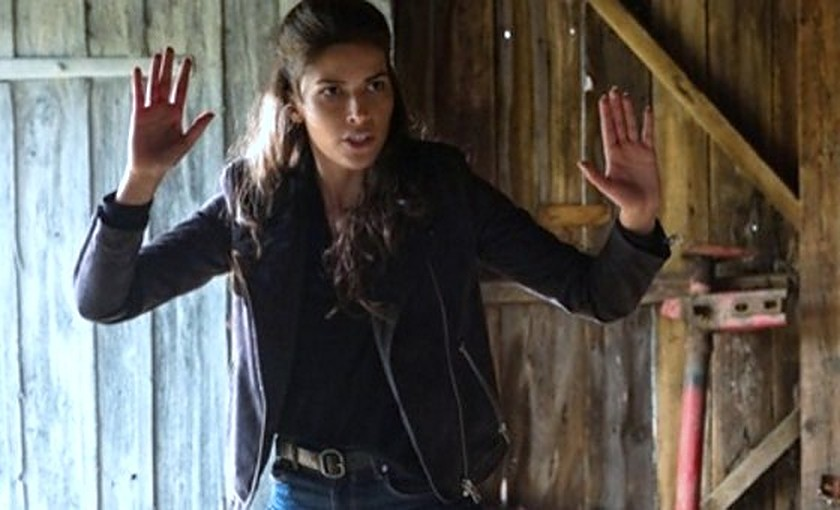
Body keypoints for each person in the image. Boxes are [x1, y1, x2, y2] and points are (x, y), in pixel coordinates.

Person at [74, 0, 670, 508]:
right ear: (294, 103)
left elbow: (596, 293)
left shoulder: (442, 190)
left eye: (374, 86)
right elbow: (105, 299)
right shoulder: (254, 202)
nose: (358, 113)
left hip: (420, 490)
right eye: (332, 92)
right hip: (299, 490)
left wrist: (637, 217)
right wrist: (139, 181)